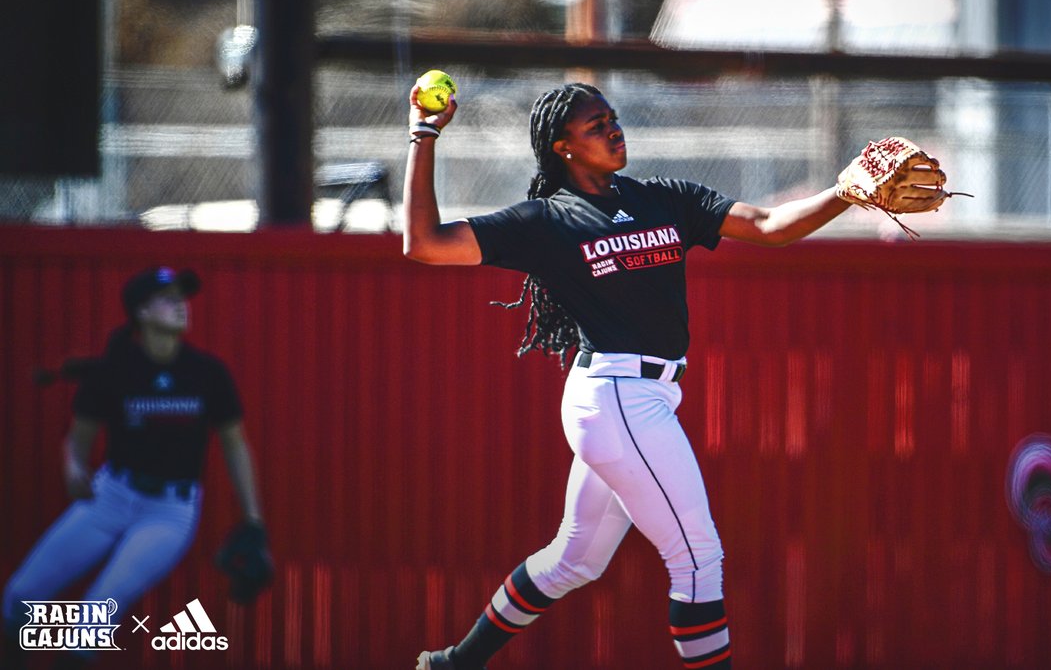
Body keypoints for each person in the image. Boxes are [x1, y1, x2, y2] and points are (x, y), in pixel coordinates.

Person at [403, 82, 944, 670]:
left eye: (612, 118)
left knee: (574, 560)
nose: (613, 129)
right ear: (563, 148)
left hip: (641, 397)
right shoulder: (546, 220)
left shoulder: (666, 198)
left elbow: (769, 225)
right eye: (595, 126)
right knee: (697, 560)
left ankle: (455, 663)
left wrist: (843, 193)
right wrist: (423, 134)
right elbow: (425, 244)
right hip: (616, 398)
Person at [1, 266, 268, 668]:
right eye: (168, 297)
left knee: (93, 615)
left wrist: (253, 518)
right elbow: (79, 438)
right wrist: (74, 468)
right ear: (141, 312)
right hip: (111, 495)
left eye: (183, 296)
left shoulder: (207, 373)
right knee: (21, 595)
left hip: (170, 510)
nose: (181, 304)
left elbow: (235, 444)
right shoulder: (114, 370)